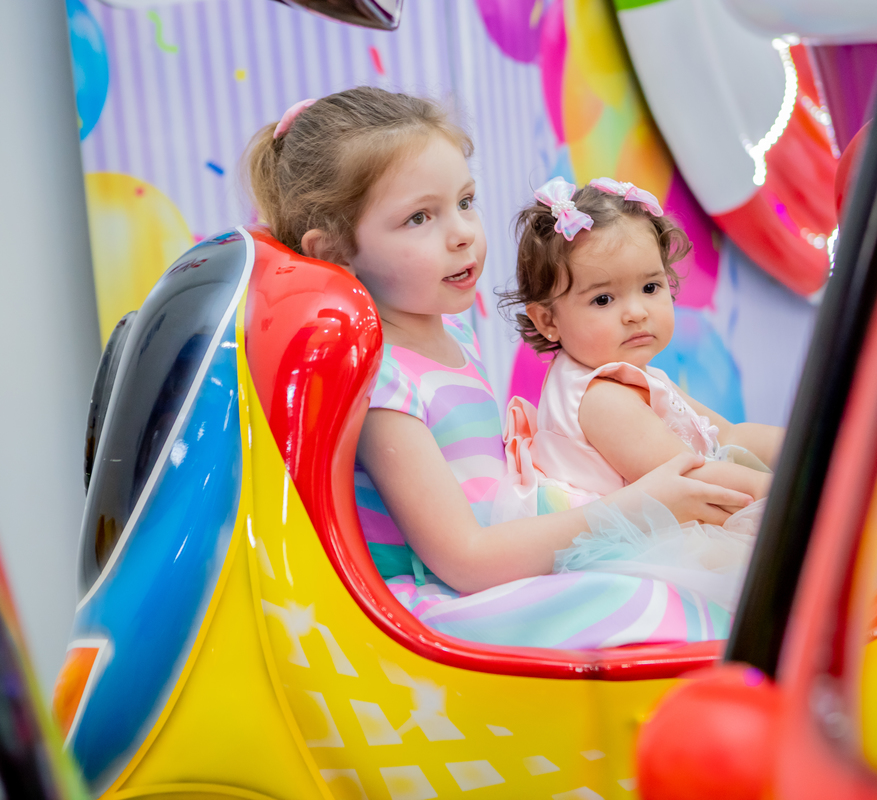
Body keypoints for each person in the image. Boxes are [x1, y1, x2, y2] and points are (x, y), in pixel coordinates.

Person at [243, 87, 752, 648]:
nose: (462, 232)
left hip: (509, 551)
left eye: (465, 201)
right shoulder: (381, 379)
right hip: (448, 598)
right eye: (419, 217)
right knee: (644, 603)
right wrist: (635, 505)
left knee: (718, 566)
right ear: (335, 252)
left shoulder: (451, 331)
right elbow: (465, 558)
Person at [497, 177, 785, 610]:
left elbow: (729, 435)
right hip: (640, 551)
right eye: (603, 299)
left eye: (650, 288)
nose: (635, 312)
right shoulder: (600, 398)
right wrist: (791, 496)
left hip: (682, 521)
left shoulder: (634, 375)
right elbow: (692, 480)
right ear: (547, 321)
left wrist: (810, 452)